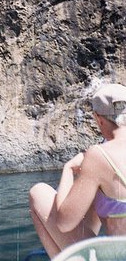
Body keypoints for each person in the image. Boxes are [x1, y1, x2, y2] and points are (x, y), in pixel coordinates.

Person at [29, 83, 126, 259]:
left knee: (38, 192)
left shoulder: (99, 155)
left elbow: (64, 223)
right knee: (94, 191)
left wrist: (69, 169)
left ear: (99, 119)